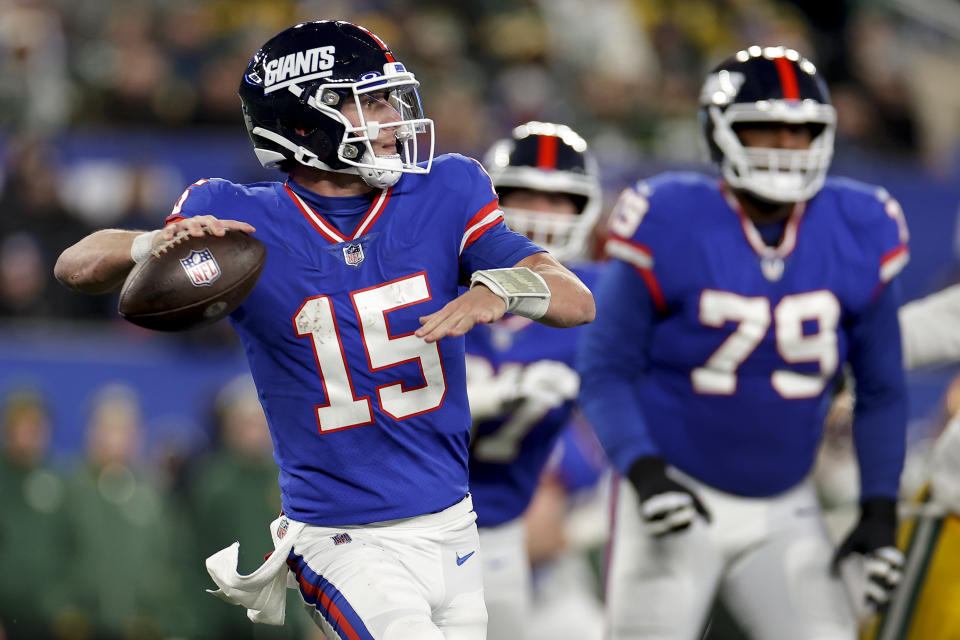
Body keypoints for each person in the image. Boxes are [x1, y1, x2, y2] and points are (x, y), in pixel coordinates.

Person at [54, 20, 594, 640]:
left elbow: (575, 301)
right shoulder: (239, 217)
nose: (394, 116)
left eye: (392, 98)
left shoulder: (446, 188)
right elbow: (75, 266)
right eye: (372, 101)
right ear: (307, 120)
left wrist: (500, 287)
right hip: (344, 539)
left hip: (455, 526)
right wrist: (152, 242)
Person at [577, 46, 910, 639]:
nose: (783, 146)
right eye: (764, 129)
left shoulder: (862, 222)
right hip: (673, 494)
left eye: (800, 131)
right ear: (718, 132)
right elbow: (606, 368)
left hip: (787, 503)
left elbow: (882, 388)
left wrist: (879, 506)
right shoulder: (670, 214)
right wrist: (645, 471)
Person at [463, 121, 604, 639]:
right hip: (405, 515)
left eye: (558, 200)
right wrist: (483, 400)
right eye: (523, 195)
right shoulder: (430, 280)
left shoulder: (600, 299)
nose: (539, 215)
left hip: (505, 523)